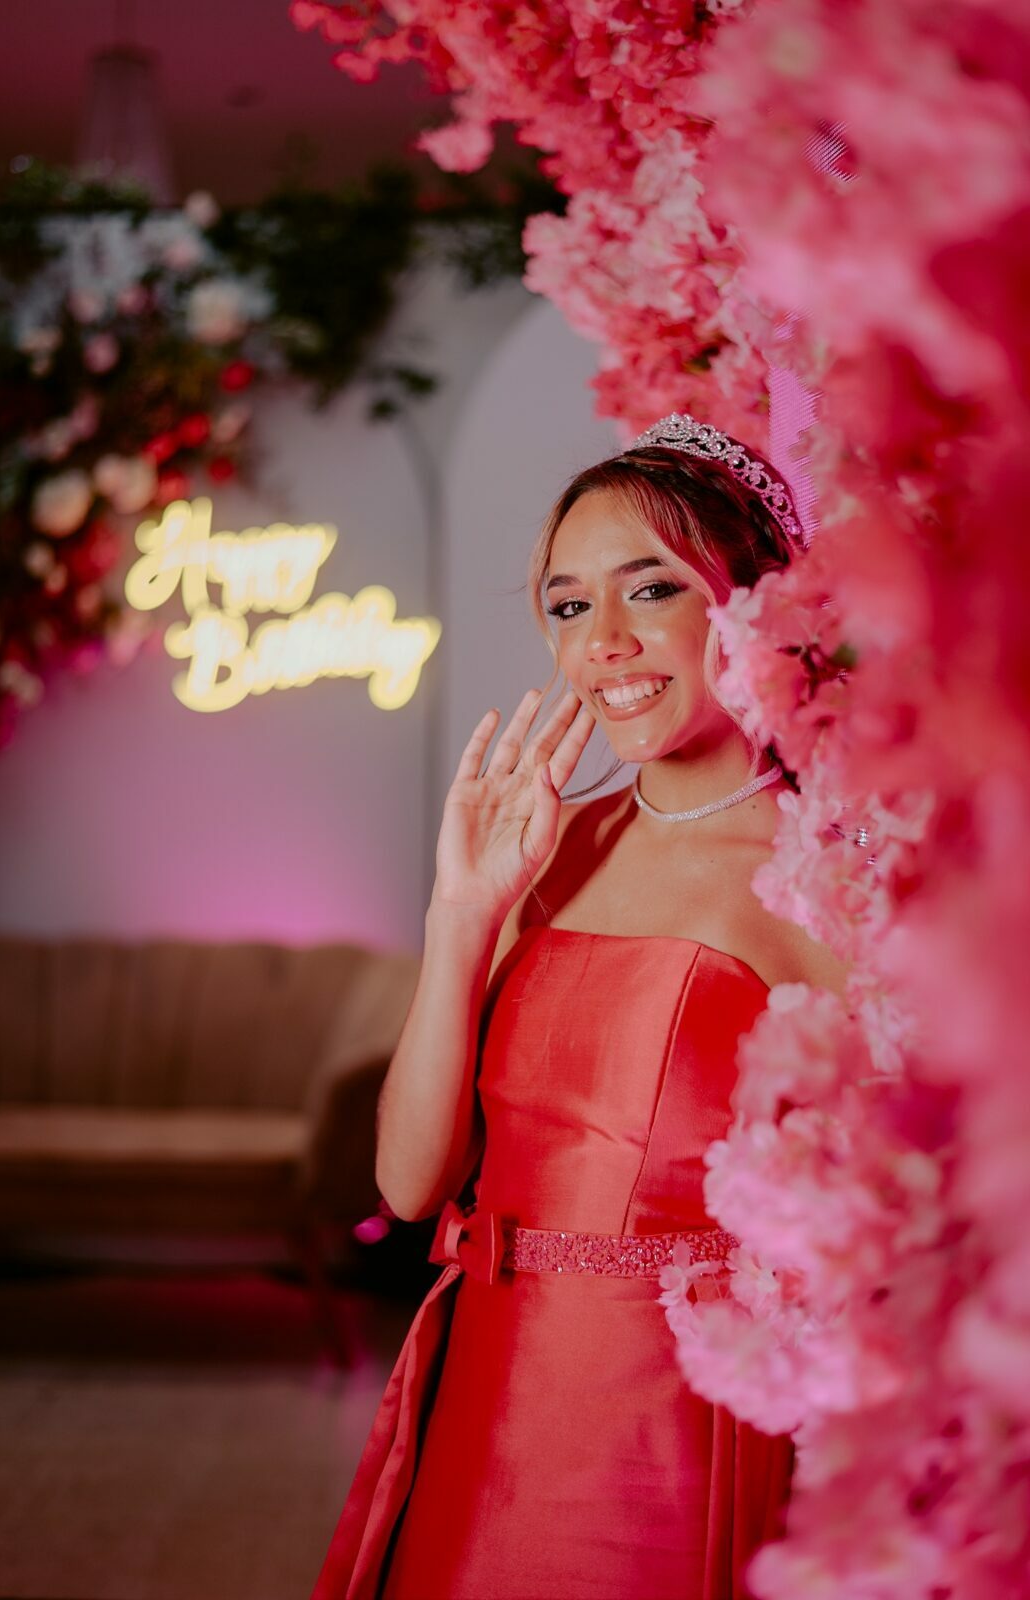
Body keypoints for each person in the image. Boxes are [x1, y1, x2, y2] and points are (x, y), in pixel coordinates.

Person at [311, 413, 850, 1600]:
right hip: (488, 1381)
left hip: (666, 1427)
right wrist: (460, 911)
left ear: (751, 605)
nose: (602, 641)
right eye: (566, 605)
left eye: (649, 588)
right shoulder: (547, 847)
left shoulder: (828, 871)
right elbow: (409, 1185)